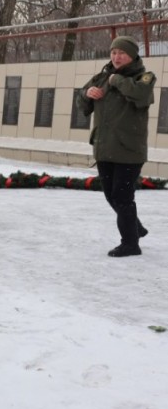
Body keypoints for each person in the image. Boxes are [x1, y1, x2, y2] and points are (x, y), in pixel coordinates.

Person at [76, 35, 155, 257]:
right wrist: (87, 94)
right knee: (111, 195)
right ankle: (135, 228)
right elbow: (81, 101)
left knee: (122, 197)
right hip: (104, 147)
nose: (116, 57)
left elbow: (141, 95)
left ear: (132, 56)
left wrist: (117, 80)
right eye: (113, 52)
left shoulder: (144, 77)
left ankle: (130, 244)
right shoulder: (101, 77)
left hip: (128, 149)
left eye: (122, 53)